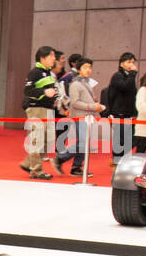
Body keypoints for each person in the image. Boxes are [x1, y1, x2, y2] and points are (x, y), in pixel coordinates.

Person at [56, 58, 101, 176]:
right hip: (79, 116)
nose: (88, 70)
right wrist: (92, 105)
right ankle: (61, 158)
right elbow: (74, 102)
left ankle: (76, 167)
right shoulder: (75, 84)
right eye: (85, 67)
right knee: (84, 142)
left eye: (90, 67)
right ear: (79, 69)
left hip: (86, 116)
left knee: (85, 142)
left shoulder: (85, 83)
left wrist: (94, 103)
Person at [20, 45, 58, 179]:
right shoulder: (35, 72)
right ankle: (36, 170)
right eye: (51, 56)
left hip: (47, 109)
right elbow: (28, 91)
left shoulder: (48, 73)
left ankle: (28, 163)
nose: (54, 58)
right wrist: (44, 92)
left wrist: (55, 96)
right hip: (36, 109)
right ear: (42, 58)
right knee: (37, 140)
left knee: (49, 140)